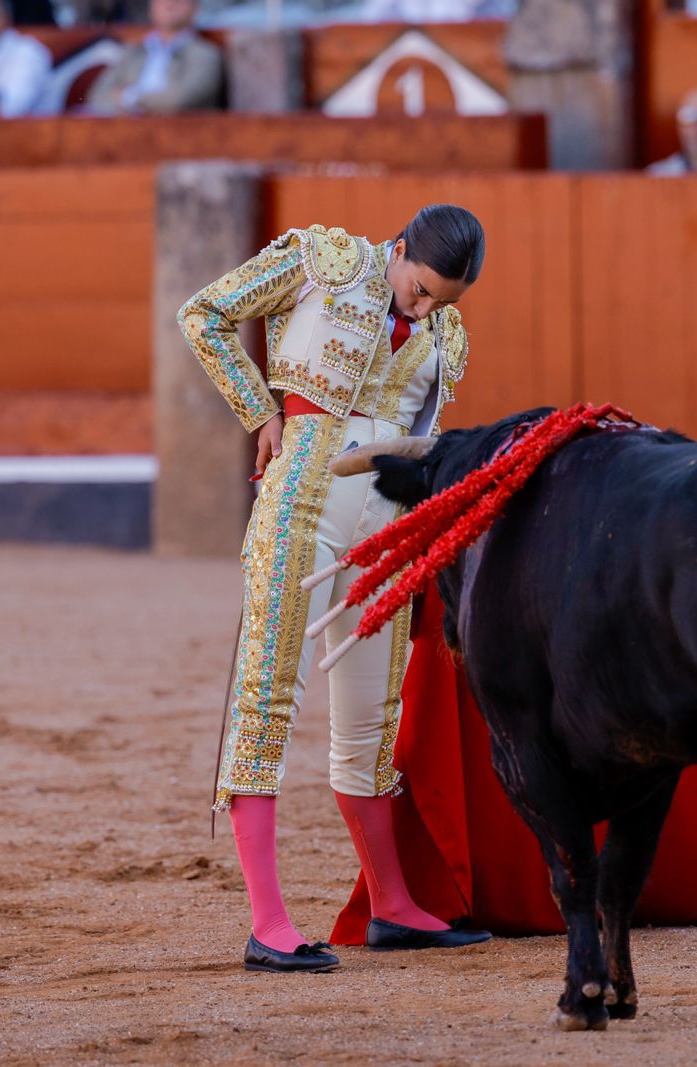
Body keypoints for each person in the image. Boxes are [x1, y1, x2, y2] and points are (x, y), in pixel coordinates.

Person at [177, 207, 493, 974]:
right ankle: (269, 922)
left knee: (371, 718)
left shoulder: (446, 337)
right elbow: (204, 314)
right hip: (300, 511)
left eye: (440, 303)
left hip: (383, 532)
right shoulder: (325, 262)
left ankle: (391, 905)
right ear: (401, 250)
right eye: (420, 290)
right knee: (268, 700)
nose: (423, 312)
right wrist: (261, 411)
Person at [84, 0, 222, 115]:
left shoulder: (205, 54)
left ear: (195, 8)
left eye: (179, 0)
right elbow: (97, 94)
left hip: (177, 134)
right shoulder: (132, 52)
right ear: (151, 6)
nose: (170, 5)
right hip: (122, 128)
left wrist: (129, 98)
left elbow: (180, 100)